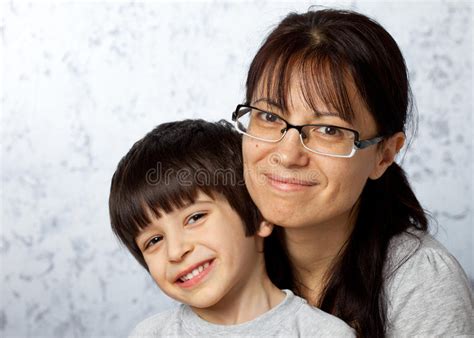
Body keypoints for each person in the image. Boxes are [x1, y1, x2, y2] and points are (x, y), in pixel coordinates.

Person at [232, 8, 474, 337]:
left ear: (384, 155)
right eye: (270, 117)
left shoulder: (419, 281)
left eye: (329, 130)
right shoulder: (225, 251)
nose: (288, 154)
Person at [108, 119, 355, 337]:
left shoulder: (323, 333)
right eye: (153, 241)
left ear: (260, 215)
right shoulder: (151, 334)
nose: (175, 252)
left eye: (195, 217)